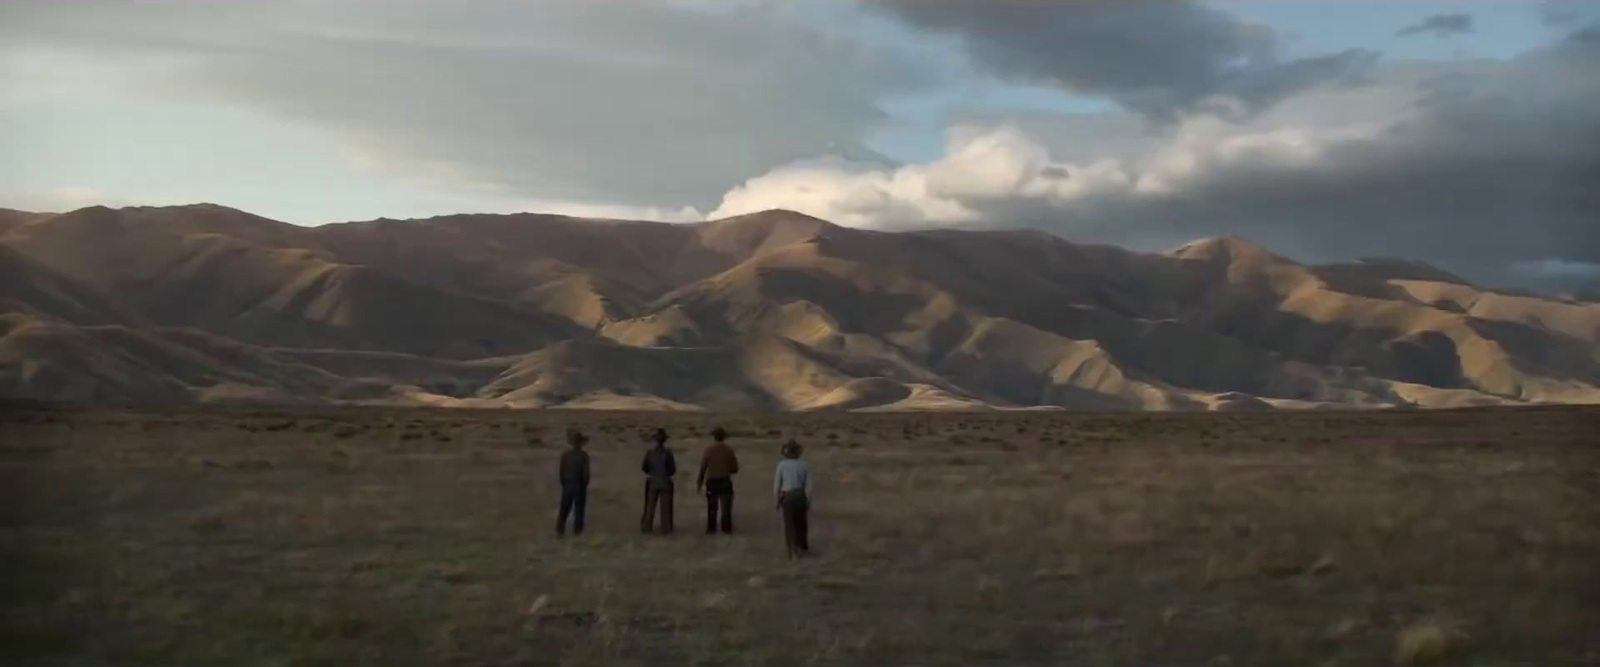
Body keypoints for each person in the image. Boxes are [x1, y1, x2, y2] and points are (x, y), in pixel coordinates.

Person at [773, 439, 813, 558]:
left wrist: (776, 501)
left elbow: (777, 486)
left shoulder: (781, 465)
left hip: (788, 497)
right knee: (801, 524)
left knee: (789, 525)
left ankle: (791, 551)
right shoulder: (805, 465)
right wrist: (808, 501)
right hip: (800, 496)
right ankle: (802, 548)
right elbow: (809, 486)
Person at [696, 426, 740, 535]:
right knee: (726, 508)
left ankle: (711, 528)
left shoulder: (708, 450)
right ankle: (726, 528)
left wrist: (699, 483)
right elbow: (735, 468)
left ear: (714, 437)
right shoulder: (729, 450)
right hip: (725, 481)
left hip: (712, 482)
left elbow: (703, 468)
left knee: (712, 507)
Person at [640, 427, 677, 534]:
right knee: (665, 508)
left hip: (653, 481)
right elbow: (672, 469)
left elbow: (644, 468)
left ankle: (647, 527)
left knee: (650, 506)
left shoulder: (650, 453)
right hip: (665, 481)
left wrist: (653, 472)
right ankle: (666, 528)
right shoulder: (668, 453)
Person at [555, 428, 590, 538]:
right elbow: (586, 475)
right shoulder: (584, 456)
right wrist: (584, 485)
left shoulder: (565, 455)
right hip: (579, 485)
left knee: (564, 508)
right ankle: (577, 532)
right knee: (579, 509)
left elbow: (561, 473)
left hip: (567, 485)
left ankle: (560, 530)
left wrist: (564, 483)